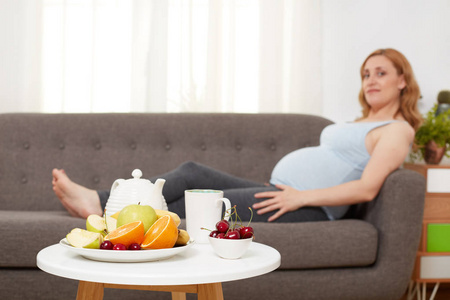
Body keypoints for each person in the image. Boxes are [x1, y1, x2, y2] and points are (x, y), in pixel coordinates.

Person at [52, 48, 422, 223]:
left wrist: (300, 196)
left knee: (194, 203)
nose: (371, 80)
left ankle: (104, 210)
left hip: (305, 207)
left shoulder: (396, 129)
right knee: (192, 170)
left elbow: (367, 188)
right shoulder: (359, 123)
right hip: (282, 191)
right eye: (366, 74)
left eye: (381, 73)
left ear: (402, 80)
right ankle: (104, 199)